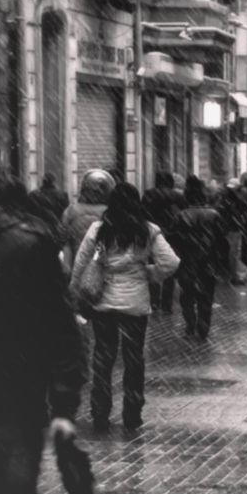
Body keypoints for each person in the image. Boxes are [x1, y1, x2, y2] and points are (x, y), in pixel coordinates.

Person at [0, 169, 86, 494]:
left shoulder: (24, 244)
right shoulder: (30, 240)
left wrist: (63, 405)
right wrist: (64, 403)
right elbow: (60, 327)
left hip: (4, 401)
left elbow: (57, 327)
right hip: (13, 396)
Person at [69, 183, 180, 431]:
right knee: (133, 359)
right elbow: (171, 263)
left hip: (104, 303)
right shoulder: (147, 230)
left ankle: (100, 413)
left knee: (103, 358)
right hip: (134, 305)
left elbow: (80, 263)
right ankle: (132, 414)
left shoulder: (99, 229)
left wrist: (76, 291)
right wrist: (148, 274)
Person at [168, 176, 230, 342]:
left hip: (187, 260)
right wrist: (222, 262)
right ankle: (203, 327)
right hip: (208, 260)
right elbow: (222, 239)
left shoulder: (181, 216)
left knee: (187, 294)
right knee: (206, 295)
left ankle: (190, 324)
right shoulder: (213, 214)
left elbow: (173, 239)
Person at [145, 171, 186, 313]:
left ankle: (154, 301)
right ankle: (167, 304)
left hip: (153, 234)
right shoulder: (177, 196)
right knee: (170, 270)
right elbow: (183, 215)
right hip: (172, 235)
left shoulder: (149, 194)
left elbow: (143, 214)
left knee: (153, 265)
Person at [59, 169, 114, 268]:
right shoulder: (111, 212)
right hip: (102, 265)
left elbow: (63, 239)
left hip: (77, 262)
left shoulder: (71, 211)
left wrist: (67, 264)